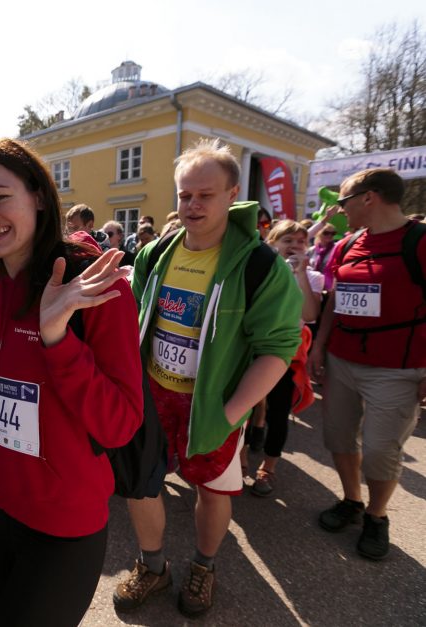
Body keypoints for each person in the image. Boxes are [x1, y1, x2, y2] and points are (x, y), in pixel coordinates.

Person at [0, 137, 144, 626]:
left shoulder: (98, 288)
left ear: (37, 194)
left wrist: (57, 337)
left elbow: (121, 425)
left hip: (63, 525)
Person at [115, 138, 302, 618]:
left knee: (213, 490)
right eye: (184, 195)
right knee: (142, 484)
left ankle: (204, 565)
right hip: (153, 395)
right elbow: (131, 320)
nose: (193, 205)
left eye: (206, 195)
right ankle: (153, 567)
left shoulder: (261, 266)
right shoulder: (154, 254)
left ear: (232, 194)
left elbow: (278, 349)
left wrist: (230, 412)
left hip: (213, 402)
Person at [308, 167, 426, 561]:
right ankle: (351, 500)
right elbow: (333, 304)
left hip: (398, 368)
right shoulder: (346, 246)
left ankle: (377, 516)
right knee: (338, 436)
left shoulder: (420, 242)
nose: (339, 211)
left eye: (343, 201)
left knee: (379, 450)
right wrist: (318, 347)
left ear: (368, 198)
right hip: (342, 360)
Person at [248, 220, 323, 496]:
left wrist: (300, 273)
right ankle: (241, 457)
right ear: (272, 244)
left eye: (301, 241)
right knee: (245, 407)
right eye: (287, 240)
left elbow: (312, 314)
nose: (294, 246)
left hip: (288, 352)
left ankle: (268, 468)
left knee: (278, 412)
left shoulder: (312, 277)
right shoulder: (260, 272)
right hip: (254, 347)